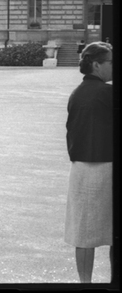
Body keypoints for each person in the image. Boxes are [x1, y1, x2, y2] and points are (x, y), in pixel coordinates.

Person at [64, 41, 113, 283]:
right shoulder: (108, 93)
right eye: (110, 61)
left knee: (84, 232)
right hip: (107, 166)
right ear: (96, 65)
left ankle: (85, 283)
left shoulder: (77, 93)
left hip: (81, 168)